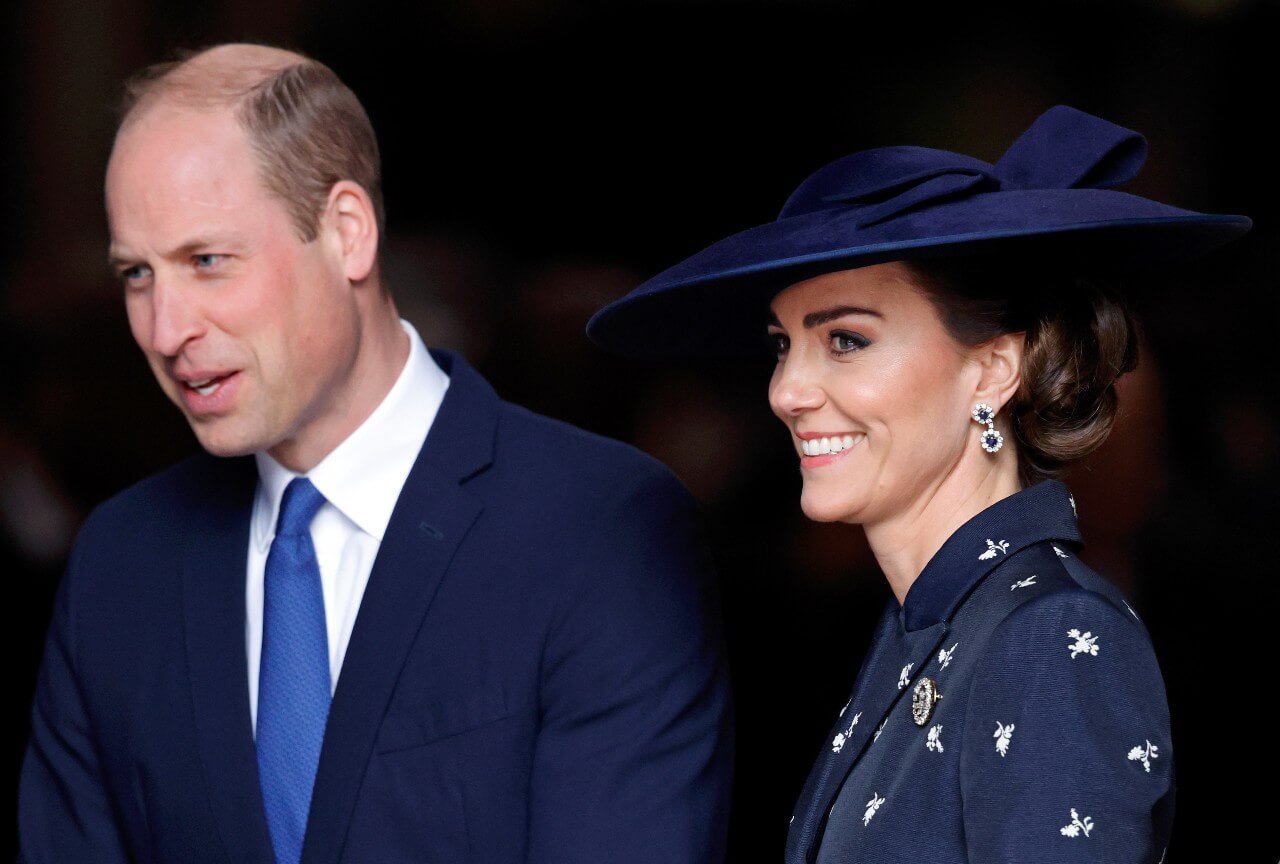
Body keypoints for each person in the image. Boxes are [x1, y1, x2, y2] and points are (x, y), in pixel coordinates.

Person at [19, 43, 732, 864]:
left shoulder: (597, 531)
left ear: (348, 233)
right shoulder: (119, 563)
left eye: (207, 261)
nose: (164, 328)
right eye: (137, 275)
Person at [588, 105, 1250, 862]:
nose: (787, 390)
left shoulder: (1048, 634)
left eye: (846, 340)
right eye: (783, 345)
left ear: (995, 367)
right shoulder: (937, 623)